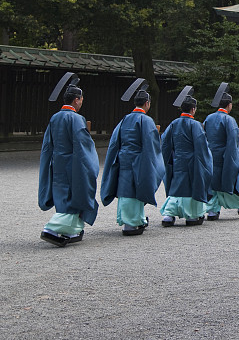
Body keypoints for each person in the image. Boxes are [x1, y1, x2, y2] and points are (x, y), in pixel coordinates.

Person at [39, 73, 100, 247]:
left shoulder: (55, 118)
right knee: (74, 197)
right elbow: (83, 147)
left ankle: (72, 229)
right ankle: (51, 228)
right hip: (73, 165)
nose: (81, 102)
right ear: (76, 100)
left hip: (57, 163)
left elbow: (47, 145)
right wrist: (90, 165)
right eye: (81, 99)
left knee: (62, 196)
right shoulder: (76, 119)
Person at [100, 79, 165, 236]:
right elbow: (151, 147)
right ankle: (133, 222)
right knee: (137, 189)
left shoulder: (124, 119)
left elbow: (115, 142)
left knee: (125, 189)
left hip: (123, 159)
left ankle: (131, 220)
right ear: (147, 103)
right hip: (139, 161)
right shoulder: (147, 121)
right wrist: (155, 165)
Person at [160, 87, 214, 226]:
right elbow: (202, 148)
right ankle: (192, 215)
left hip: (177, 160)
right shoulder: (196, 125)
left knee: (176, 186)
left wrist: (166, 161)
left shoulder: (173, 124)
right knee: (192, 187)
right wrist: (205, 164)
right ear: (193, 109)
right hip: (192, 162)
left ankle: (169, 214)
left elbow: (165, 144)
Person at [204, 83, 239, 220]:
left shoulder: (208, 118)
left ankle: (212, 210)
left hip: (210, 155)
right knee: (232, 181)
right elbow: (233, 143)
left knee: (212, 184)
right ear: (229, 105)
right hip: (224, 156)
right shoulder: (229, 120)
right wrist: (234, 159)